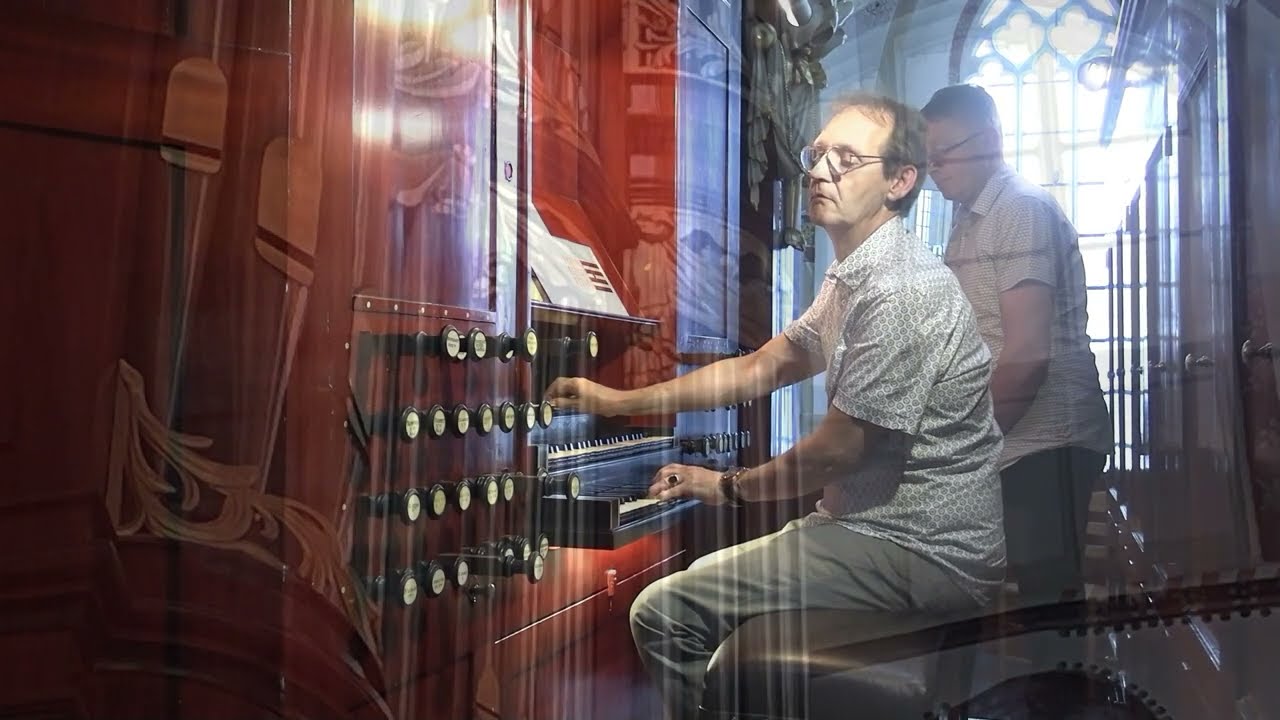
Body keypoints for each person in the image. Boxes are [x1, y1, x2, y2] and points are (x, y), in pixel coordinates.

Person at [544, 92, 1006, 720]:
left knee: (663, 611)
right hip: (878, 530)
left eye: (846, 159)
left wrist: (724, 486)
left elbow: (837, 451)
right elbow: (763, 366)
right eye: (817, 154)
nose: (818, 171)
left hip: (922, 550)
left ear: (900, 181)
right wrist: (623, 400)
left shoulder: (899, 289)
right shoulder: (857, 273)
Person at [921, 84, 1113, 608]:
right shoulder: (967, 219)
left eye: (945, 152)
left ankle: (1062, 692)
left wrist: (963, 448)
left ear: (992, 139)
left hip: (1048, 440)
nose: (934, 167)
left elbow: (1026, 358)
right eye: (928, 157)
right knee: (1015, 595)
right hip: (1012, 439)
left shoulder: (1019, 209)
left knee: (1047, 603)